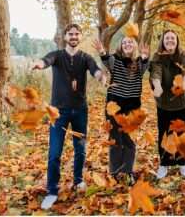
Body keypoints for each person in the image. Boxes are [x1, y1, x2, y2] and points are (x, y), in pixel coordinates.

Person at [32, 24, 106, 210]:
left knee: (80, 149)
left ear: (80, 37)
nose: (73, 36)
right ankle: (52, 191)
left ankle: (78, 180)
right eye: (70, 34)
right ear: (65, 36)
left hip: (80, 110)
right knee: (55, 152)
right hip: (58, 112)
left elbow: (95, 69)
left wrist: (101, 77)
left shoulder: (85, 57)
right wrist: (39, 64)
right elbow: (46, 60)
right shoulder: (57, 55)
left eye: (76, 34)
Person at [93, 36, 149, 186]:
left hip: (132, 108)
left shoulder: (138, 62)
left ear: (134, 45)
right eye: (124, 42)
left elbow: (144, 68)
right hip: (114, 106)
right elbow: (106, 60)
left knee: (128, 140)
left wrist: (144, 57)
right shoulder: (115, 60)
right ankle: (114, 172)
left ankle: (128, 171)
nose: (127, 44)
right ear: (121, 46)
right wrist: (102, 51)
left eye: (130, 42)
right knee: (116, 139)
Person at [149, 29, 185, 179]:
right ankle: (164, 163)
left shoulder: (183, 55)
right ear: (163, 41)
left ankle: (182, 163)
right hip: (164, 103)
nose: (170, 41)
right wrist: (157, 85)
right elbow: (156, 72)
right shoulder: (158, 57)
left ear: (177, 41)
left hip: (182, 103)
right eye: (167, 38)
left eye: (172, 38)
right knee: (164, 133)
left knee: (182, 133)